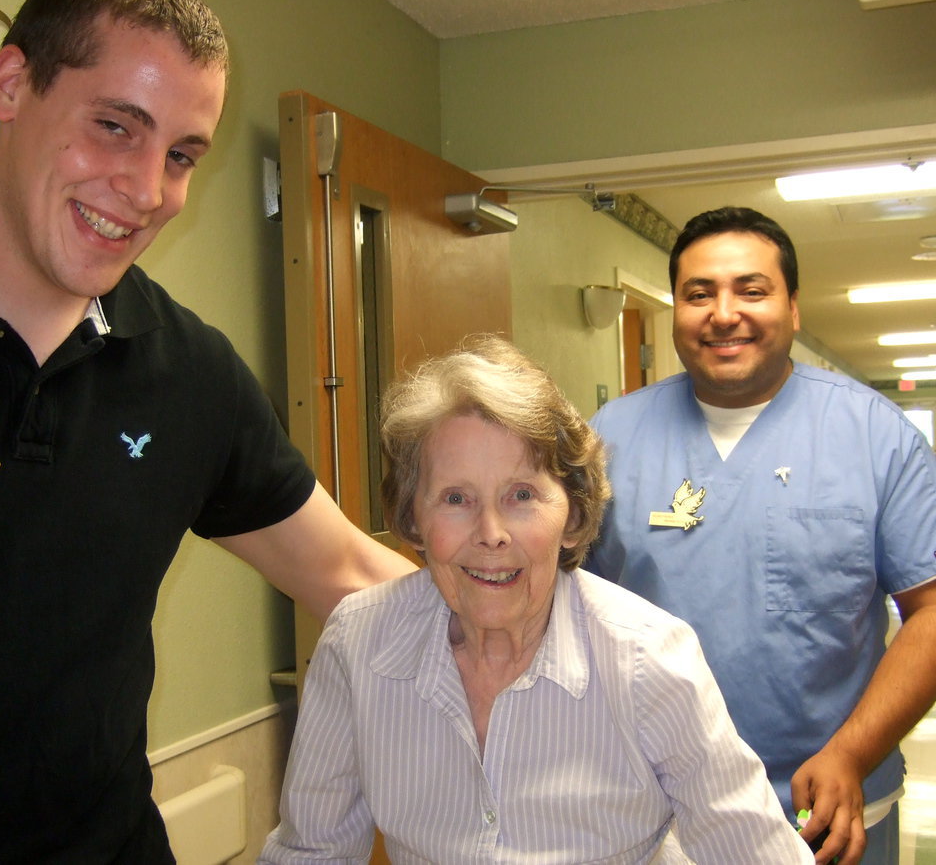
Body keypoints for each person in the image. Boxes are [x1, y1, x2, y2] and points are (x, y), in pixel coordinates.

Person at [0, 0, 414, 861]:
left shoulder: (190, 373)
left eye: (180, 156)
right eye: (114, 127)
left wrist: (569, 638)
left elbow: (349, 576)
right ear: (12, 85)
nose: (146, 190)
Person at [261, 336, 813, 863]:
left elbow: (755, 852)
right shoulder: (358, 644)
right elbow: (314, 852)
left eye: (521, 496)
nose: (491, 532)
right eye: (456, 498)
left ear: (572, 516)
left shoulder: (649, 659)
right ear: (413, 519)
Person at [585, 207, 936, 865]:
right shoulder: (609, 439)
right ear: (677, 307)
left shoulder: (873, 435)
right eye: (699, 293)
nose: (724, 312)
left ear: (793, 307)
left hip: (824, 806)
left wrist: (852, 752)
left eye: (752, 289)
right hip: (650, 805)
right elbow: (559, 603)